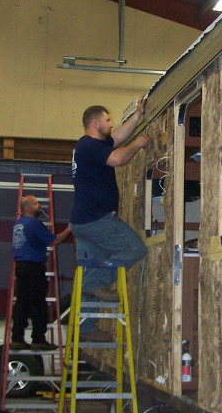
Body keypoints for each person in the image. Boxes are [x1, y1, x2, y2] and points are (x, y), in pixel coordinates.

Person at [70, 97, 149, 318]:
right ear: (95, 124)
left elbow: (117, 137)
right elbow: (117, 159)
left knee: (89, 271)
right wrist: (138, 144)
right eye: (107, 119)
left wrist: (137, 115)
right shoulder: (88, 145)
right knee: (135, 249)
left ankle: (86, 329)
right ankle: (97, 283)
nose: (111, 123)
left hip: (84, 221)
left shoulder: (89, 146)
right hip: (96, 220)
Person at [11, 195, 71, 349]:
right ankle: (38, 338)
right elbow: (54, 241)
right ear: (27, 208)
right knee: (38, 303)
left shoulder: (18, 224)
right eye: (36, 204)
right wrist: (70, 229)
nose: (39, 206)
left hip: (21, 266)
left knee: (22, 303)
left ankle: (17, 338)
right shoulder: (34, 224)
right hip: (33, 267)